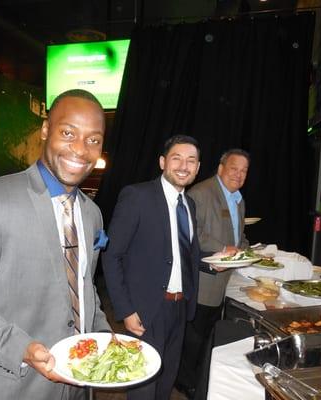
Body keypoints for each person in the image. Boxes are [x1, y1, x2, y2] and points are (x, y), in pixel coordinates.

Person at [0, 89, 111, 400]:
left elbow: (83, 286)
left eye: (93, 139)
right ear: (45, 130)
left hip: (78, 385)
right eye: (68, 132)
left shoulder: (92, 213)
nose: (81, 149)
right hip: (11, 384)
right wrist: (23, 349)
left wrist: (105, 337)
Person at [102, 135, 207, 400]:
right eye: (177, 158)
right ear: (162, 162)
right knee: (142, 385)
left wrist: (214, 262)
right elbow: (112, 255)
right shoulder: (138, 196)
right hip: (148, 310)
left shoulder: (189, 204)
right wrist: (125, 309)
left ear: (197, 167)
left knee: (166, 381)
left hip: (180, 308)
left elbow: (185, 252)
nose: (184, 166)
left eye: (191, 160)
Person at [175, 148, 250, 400]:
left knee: (207, 334)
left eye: (243, 171)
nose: (238, 175)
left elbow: (238, 237)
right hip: (203, 280)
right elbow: (192, 234)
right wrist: (223, 249)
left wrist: (250, 251)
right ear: (220, 169)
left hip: (223, 282)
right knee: (194, 336)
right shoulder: (201, 193)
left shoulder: (238, 199)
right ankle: (184, 382)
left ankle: (196, 377)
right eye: (233, 169)